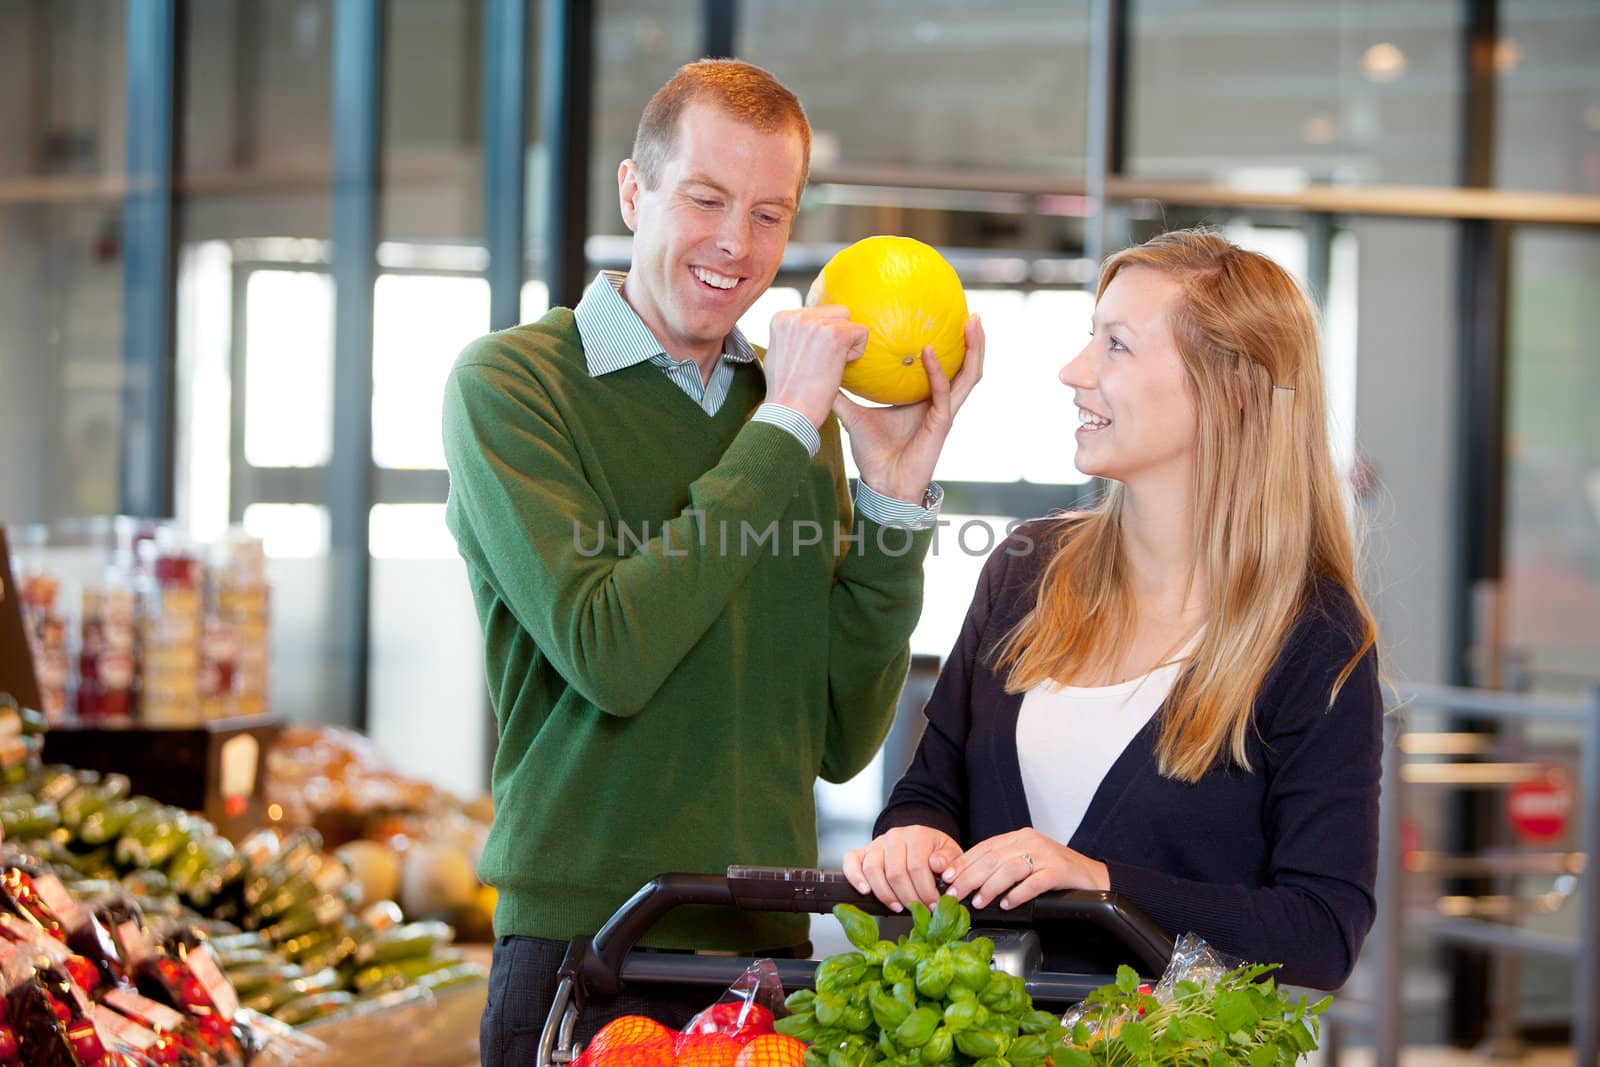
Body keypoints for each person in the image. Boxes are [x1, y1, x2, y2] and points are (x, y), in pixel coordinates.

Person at [442, 59, 983, 1062]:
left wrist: (892, 500)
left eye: (769, 214)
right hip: (581, 946)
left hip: (762, 954)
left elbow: (837, 734)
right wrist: (782, 422)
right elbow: (609, 649)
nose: (737, 244)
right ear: (632, 190)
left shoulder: (794, 414)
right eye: (706, 199)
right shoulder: (514, 385)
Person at [844, 229, 1381, 992]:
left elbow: (1322, 933)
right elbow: (929, 796)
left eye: (1117, 346)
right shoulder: (1027, 571)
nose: (1074, 372)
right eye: (1088, 338)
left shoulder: (1314, 638)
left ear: (1230, 385)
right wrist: (910, 839)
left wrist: (1096, 881)